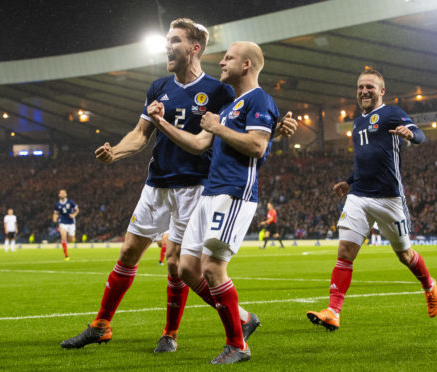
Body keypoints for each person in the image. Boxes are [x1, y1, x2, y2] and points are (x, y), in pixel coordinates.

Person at [60, 18, 297, 353]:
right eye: (167, 40)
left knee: (178, 263)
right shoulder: (158, 87)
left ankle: (170, 334)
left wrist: (276, 131)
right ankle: (101, 325)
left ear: (193, 47)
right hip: (157, 182)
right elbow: (141, 135)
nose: (167, 47)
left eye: (174, 41)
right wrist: (115, 153)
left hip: (195, 186)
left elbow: (238, 126)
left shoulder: (220, 91)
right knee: (128, 251)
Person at [148, 41, 281, 364]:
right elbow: (197, 143)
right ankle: (243, 319)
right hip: (209, 193)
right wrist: (161, 123)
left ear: (247, 64)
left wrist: (219, 128)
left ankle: (238, 344)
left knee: (212, 268)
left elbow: (258, 146)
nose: (221, 62)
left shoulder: (259, 99)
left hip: (234, 193)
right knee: (186, 268)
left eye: (229, 58)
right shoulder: (227, 107)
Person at [307, 69, 437, 331]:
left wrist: (411, 135)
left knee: (404, 254)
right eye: (360, 87)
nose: (364, 91)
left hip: (389, 198)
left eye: (370, 87)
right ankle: (333, 311)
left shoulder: (391, 113)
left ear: (382, 91)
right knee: (345, 252)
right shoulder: (357, 123)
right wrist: (349, 181)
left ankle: (428, 285)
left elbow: (419, 133)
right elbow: (364, 159)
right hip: (359, 196)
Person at [53, 189, 79, 261]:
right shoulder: (57, 205)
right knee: (63, 237)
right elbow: (56, 213)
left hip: (71, 223)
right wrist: (54, 218)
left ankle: (66, 243)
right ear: (59, 195)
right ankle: (66, 256)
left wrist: (74, 214)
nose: (62, 194)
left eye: (63, 193)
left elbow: (77, 210)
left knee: (71, 240)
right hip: (63, 222)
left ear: (66, 194)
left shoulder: (70, 202)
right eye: (61, 193)